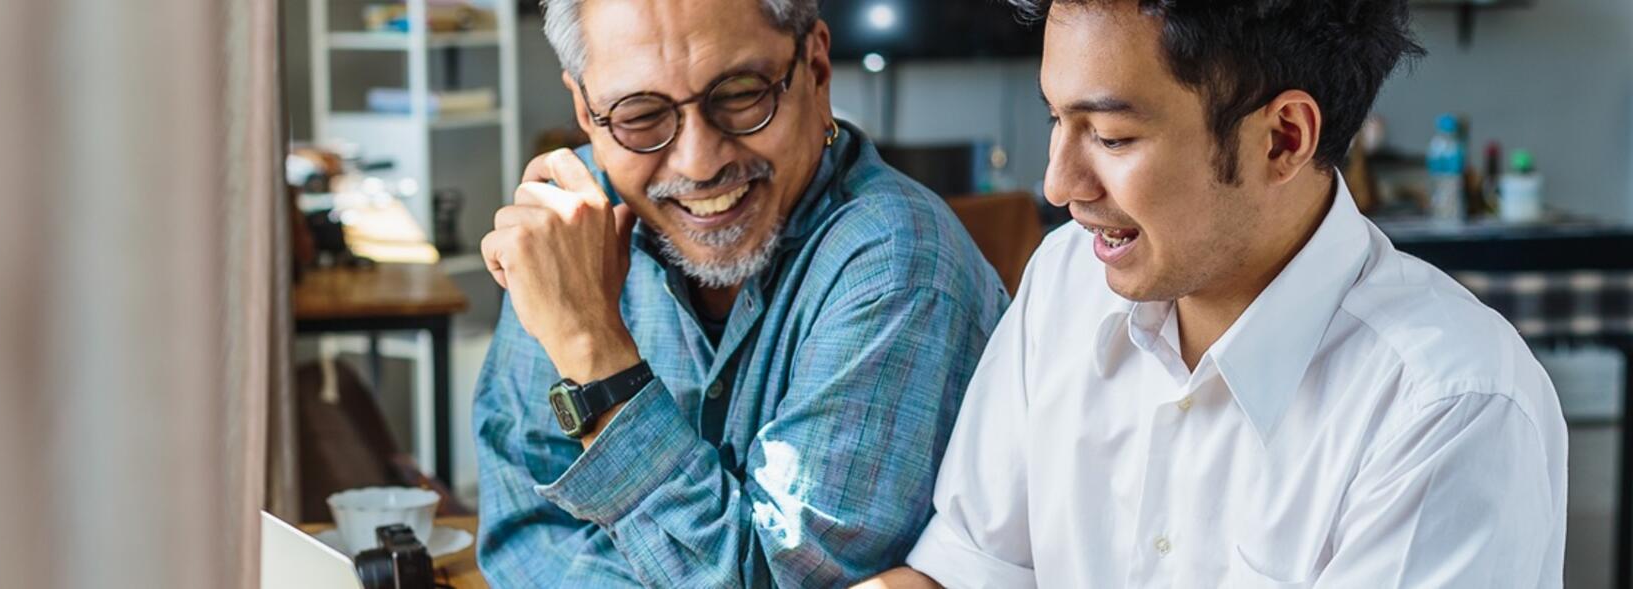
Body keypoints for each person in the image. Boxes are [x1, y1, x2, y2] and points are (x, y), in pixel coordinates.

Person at [865, 1, 1567, 587]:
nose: (1057, 185)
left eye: (1111, 137)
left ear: (1283, 139)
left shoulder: (1447, 407)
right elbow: (962, 570)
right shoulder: (1064, 283)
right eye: (1058, 121)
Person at [471, 0, 1009, 586]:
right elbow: (523, 532)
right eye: (641, 114)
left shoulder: (897, 261)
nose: (699, 162)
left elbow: (771, 579)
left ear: (817, 68)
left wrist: (593, 352)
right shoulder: (567, 224)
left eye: (739, 94)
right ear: (584, 108)